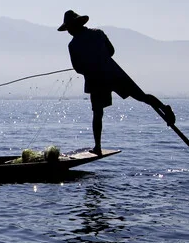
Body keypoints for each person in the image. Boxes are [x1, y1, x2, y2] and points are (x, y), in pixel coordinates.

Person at [58, 9, 175, 155]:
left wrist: (90, 65)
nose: (68, 31)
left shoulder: (73, 45)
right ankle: (165, 108)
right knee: (141, 97)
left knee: (97, 113)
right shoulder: (98, 33)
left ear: (75, 25)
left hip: (96, 80)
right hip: (113, 73)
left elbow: (78, 68)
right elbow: (111, 51)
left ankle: (97, 147)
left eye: (68, 28)